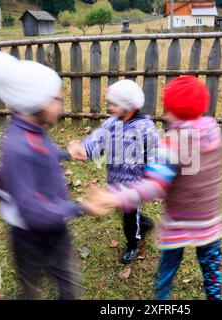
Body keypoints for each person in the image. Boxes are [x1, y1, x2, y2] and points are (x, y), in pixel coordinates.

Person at [0, 50, 109, 300]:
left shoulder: (32, 127)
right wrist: (81, 208)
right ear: (37, 101)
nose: (61, 106)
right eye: (57, 100)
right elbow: (32, 209)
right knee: (31, 287)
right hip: (30, 236)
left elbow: (43, 153)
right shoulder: (16, 147)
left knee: (67, 284)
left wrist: (66, 154)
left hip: (55, 227)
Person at [89, 76, 222, 300]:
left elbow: (155, 186)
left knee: (166, 273)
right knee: (212, 272)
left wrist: (117, 196)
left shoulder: (173, 143)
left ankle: (161, 300)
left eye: (167, 108)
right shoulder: (213, 132)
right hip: (210, 223)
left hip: (178, 223)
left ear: (173, 110)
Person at [68, 79, 159, 264]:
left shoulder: (145, 129)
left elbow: (154, 156)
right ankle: (146, 224)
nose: (109, 107)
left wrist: (151, 179)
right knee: (121, 208)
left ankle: (134, 243)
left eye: (114, 104)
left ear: (129, 107)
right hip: (115, 180)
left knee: (129, 218)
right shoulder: (112, 122)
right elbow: (97, 139)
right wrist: (84, 149)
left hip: (134, 185)